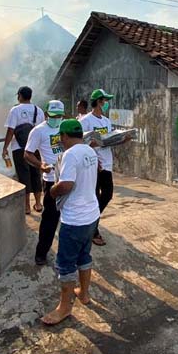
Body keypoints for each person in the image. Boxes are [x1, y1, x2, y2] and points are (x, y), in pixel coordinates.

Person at [40, 119, 101, 326]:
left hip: (75, 219)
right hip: (92, 215)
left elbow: (66, 185)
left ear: (64, 136)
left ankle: (64, 307)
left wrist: (52, 190)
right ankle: (84, 294)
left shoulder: (70, 154)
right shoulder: (89, 151)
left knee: (65, 264)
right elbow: (98, 170)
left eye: (61, 138)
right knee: (84, 255)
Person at [80, 89, 130, 246]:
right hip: (93, 165)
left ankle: (91, 223)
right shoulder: (85, 121)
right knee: (94, 197)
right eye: (104, 101)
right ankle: (93, 230)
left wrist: (123, 139)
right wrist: (92, 151)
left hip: (107, 164)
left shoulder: (106, 122)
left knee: (107, 194)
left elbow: (109, 141)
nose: (106, 104)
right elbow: (80, 143)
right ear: (97, 102)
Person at [24, 100, 66, 266]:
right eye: (53, 116)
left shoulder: (67, 127)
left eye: (59, 116)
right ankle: (41, 253)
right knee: (50, 219)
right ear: (47, 114)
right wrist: (40, 165)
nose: (57, 119)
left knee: (72, 219)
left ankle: (70, 254)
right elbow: (27, 154)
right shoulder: (38, 131)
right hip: (51, 181)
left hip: (69, 178)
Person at [2, 86, 45, 215]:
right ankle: (38, 203)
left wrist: (5, 148)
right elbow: (42, 130)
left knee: (23, 176)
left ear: (20, 95)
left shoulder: (15, 110)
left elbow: (10, 131)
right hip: (35, 148)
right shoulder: (39, 110)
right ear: (30, 96)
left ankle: (26, 206)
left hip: (19, 148)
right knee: (36, 174)